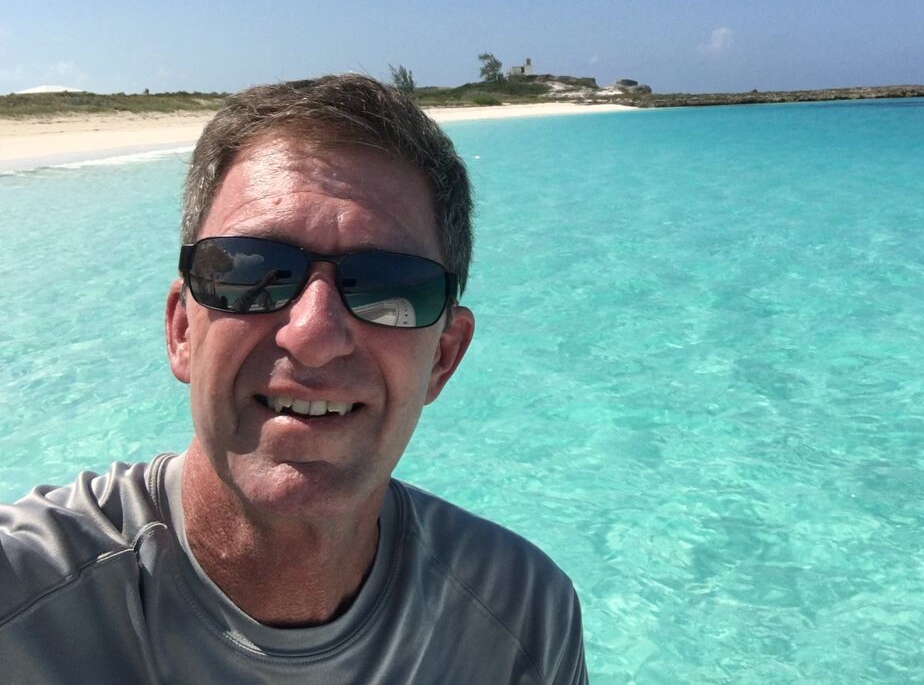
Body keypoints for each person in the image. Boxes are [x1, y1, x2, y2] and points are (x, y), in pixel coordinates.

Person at [0, 75, 588, 683]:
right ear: (181, 332)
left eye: (388, 287)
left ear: (444, 356)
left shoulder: (523, 618)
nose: (313, 334)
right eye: (251, 271)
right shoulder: (20, 603)